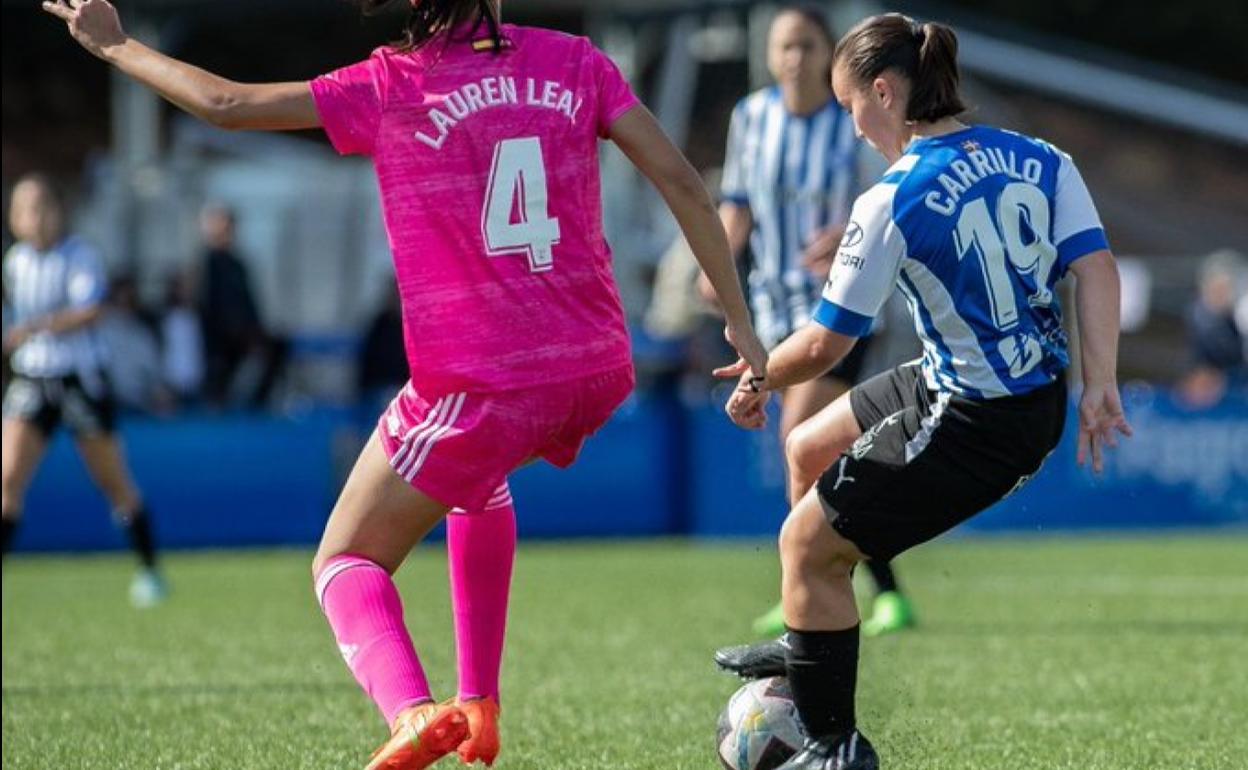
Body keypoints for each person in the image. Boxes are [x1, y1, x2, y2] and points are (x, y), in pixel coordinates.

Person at [43, 2, 768, 768]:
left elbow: (225, 104)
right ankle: (479, 703)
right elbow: (686, 185)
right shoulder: (576, 61)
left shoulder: (393, 82)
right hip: (594, 365)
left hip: (482, 378)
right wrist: (742, 325)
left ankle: (413, 712)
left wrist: (117, 46)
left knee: (344, 561)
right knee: (475, 481)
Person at [712, 14, 1131, 768]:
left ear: (883, 90)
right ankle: (810, 639)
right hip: (991, 383)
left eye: (850, 108)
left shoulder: (892, 198)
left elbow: (827, 344)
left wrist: (758, 375)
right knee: (806, 446)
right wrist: (1099, 383)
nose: (851, 126)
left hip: (980, 419)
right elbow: (1096, 267)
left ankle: (835, 748)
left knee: (804, 546)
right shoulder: (1042, 158)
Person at [698, 5, 914, 638]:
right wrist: (716, 265)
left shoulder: (850, 121)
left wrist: (848, 234)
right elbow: (737, 204)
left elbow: (884, 199)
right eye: (784, 47)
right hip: (772, 309)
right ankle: (873, 587)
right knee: (821, 455)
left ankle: (808, 590)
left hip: (838, 307)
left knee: (801, 437)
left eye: (806, 46)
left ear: (827, 55)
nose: (795, 58)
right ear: (769, 55)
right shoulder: (752, 118)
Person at [1, 173, 168, 607]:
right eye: (24, 209)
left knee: (113, 482)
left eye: (42, 207)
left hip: (80, 382)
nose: (34, 218)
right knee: (7, 478)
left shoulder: (79, 255)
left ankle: (149, 570)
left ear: (58, 212)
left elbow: (90, 310)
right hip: (32, 379)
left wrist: (35, 326)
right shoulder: (15, 261)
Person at [194, 203, 285, 409]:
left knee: (277, 346)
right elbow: (209, 306)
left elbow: (249, 303)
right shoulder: (207, 263)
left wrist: (253, 331)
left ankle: (258, 403)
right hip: (218, 338)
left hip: (242, 333)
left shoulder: (237, 263)